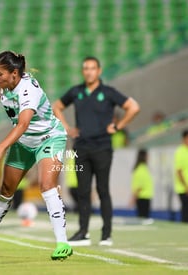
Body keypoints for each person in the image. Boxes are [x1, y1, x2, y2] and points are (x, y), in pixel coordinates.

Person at [0, 51, 73, 260]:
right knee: (6, 189)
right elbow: (0, 93)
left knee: (47, 185)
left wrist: (0, 148)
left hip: (48, 138)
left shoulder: (28, 90)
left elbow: (23, 124)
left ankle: (62, 242)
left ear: (14, 73)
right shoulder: (8, 84)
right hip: (24, 141)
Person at [52, 56, 140, 246]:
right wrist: (67, 128)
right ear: (83, 71)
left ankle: (106, 234)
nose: (89, 71)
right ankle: (83, 232)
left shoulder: (108, 92)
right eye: (85, 68)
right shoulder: (76, 91)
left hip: (102, 148)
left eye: (92, 68)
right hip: (81, 148)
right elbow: (57, 106)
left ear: (99, 71)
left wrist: (118, 126)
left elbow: (133, 107)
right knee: (82, 191)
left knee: (102, 190)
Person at [131, 149, 154, 223]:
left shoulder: (144, 168)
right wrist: (134, 197)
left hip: (146, 196)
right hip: (142, 197)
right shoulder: (141, 169)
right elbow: (139, 186)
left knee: (143, 218)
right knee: (142, 219)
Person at [174, 129, 188, 223]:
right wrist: (186, 186)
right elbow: (179, 171)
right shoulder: (180, 151)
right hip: (183, 188)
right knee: (186, 209)